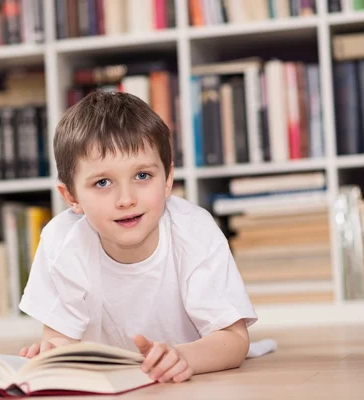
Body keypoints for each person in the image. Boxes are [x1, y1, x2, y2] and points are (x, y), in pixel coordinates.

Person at [18, 91, 258, 384]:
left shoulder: (194, 232)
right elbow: (60, 337)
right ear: (71, 196)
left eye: (142, 176)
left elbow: (234, 340)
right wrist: (50, 353)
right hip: (114, 382)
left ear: (167, 179)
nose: (126, 199)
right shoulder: (61, 242)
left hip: (188, 380)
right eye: (102, 182)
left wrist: (183, 358)